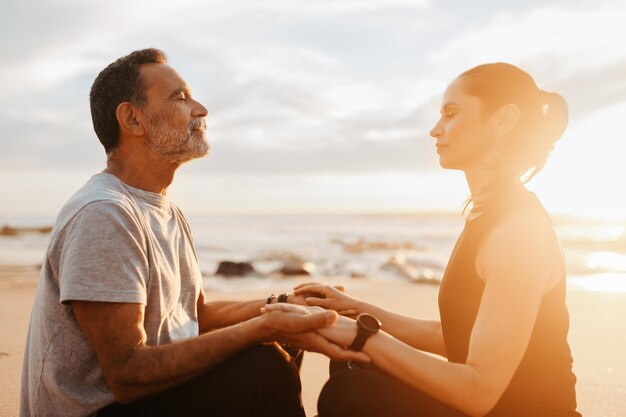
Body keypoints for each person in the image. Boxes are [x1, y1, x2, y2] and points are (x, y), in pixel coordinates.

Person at [20, 48, 367, 417]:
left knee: (284, 339)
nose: (200, 109)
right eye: (181, 98)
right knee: (262, 366)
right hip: (98, 409)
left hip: (145, 400)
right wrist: (260, 328)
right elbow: (126, 374)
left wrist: (282, 304)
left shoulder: (165, 210)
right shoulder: (105, 213)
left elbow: (193, 315)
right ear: (132, 119)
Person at [266, 62, 581, 417]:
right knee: (356, 365)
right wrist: (351, 308)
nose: (435, 130)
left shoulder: (517, 231)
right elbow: (454, 338)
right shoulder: (488, 212)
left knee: (351, 390)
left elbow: (478, 392)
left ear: (503, 121)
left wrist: (359, 334)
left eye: (451, 113)